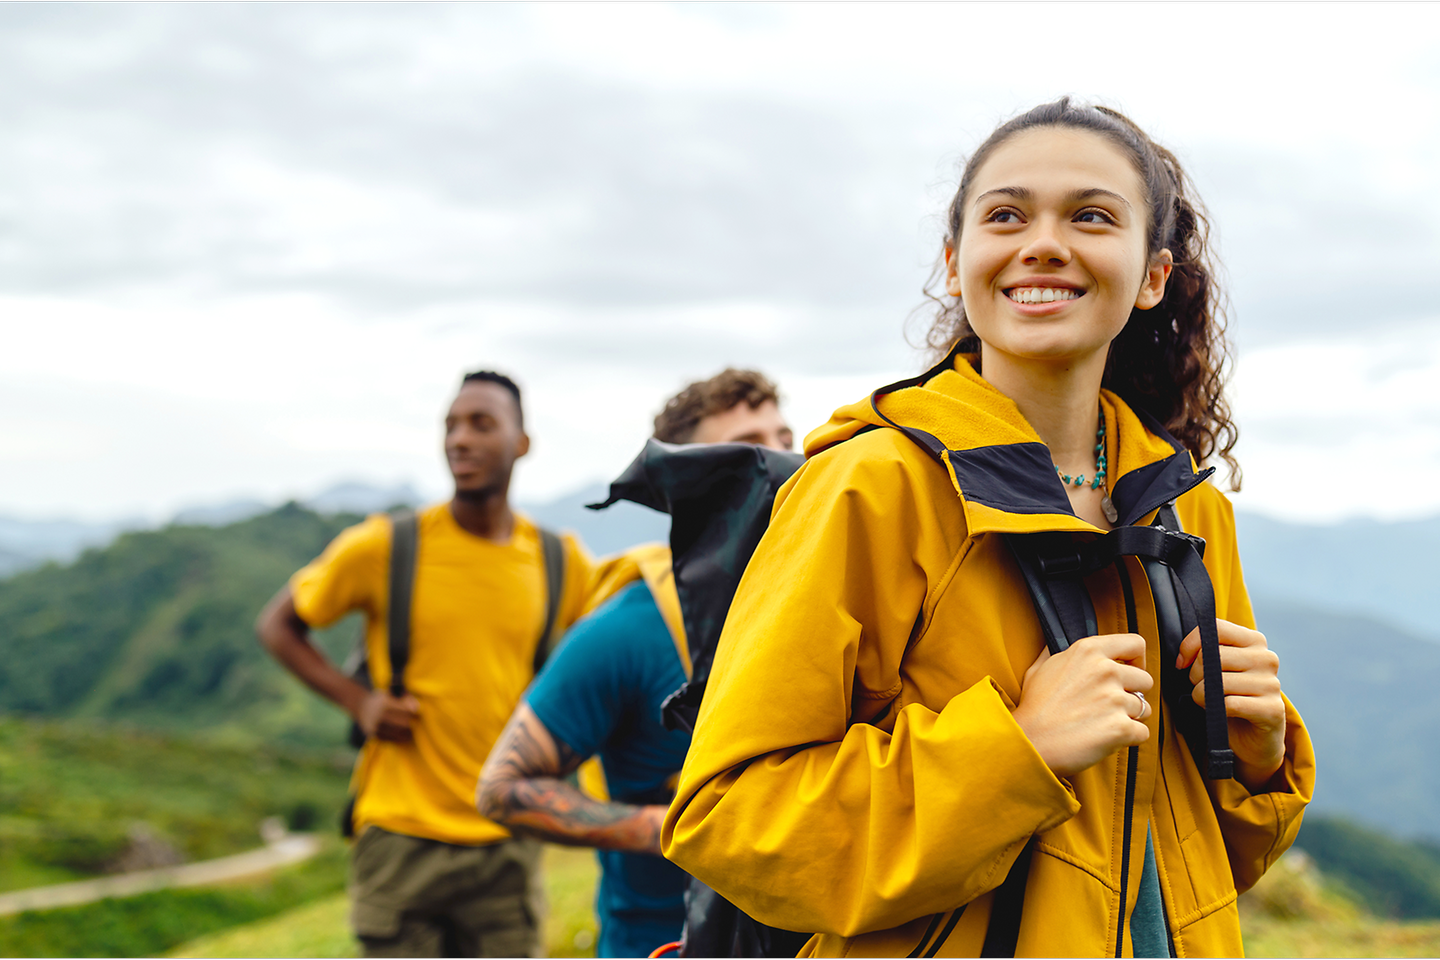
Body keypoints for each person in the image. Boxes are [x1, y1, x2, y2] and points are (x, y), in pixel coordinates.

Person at [662, 100, 1316, 957]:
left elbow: (1197, 865)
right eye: (1006, 215)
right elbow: (729, 820)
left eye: (1091, 216)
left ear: (1153, 276)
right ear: (955, 263)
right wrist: (1016, 750)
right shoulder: (870, 489)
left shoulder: (1188, 510)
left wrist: (1255, 756)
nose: (1042, 243)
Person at [256, 370, 595, 958]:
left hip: (506, 841)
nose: (460, 439)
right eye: (451, 426)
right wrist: (359, 702)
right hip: (400, 837)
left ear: (522, 443)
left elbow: (604, 657)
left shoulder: (558, 560)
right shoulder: (386, 546)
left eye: (481, 425)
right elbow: (278, 625)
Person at [477, 369, 794, 958]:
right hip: (657, 943)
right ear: (685, 482)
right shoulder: (626, 631)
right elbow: (501, 789)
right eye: (749, 448)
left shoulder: (815, 604)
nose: (781, 462)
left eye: (784, 438)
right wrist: (668, 829)